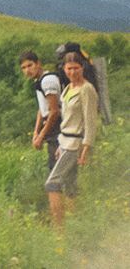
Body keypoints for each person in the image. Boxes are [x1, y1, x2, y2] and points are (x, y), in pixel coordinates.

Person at [44, 51, 99, 228]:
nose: (72, 72)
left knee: (52, 183)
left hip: (75, 143)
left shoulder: (86, 89)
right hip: (64, 140)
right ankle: (74, 226)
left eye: (76, 68)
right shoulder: (68, 88)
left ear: (82, 68)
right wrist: (60, 143)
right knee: (69, 185)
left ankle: (59, 229)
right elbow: (66, 120)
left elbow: (90, 120)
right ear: (64, 69)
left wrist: (86, 148)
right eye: (69, 69)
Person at [19, 50, 61, 171]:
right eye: (24, 68)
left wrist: (41, 135)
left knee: (56, 174)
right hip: (51, 128)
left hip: (58, 128)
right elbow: (42, 109)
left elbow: (54, 111)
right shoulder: (39, 81)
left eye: (30, 65)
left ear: (38, 64)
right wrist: (36, 133)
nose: (27, 70)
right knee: (54, 171)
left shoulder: (47, 81)